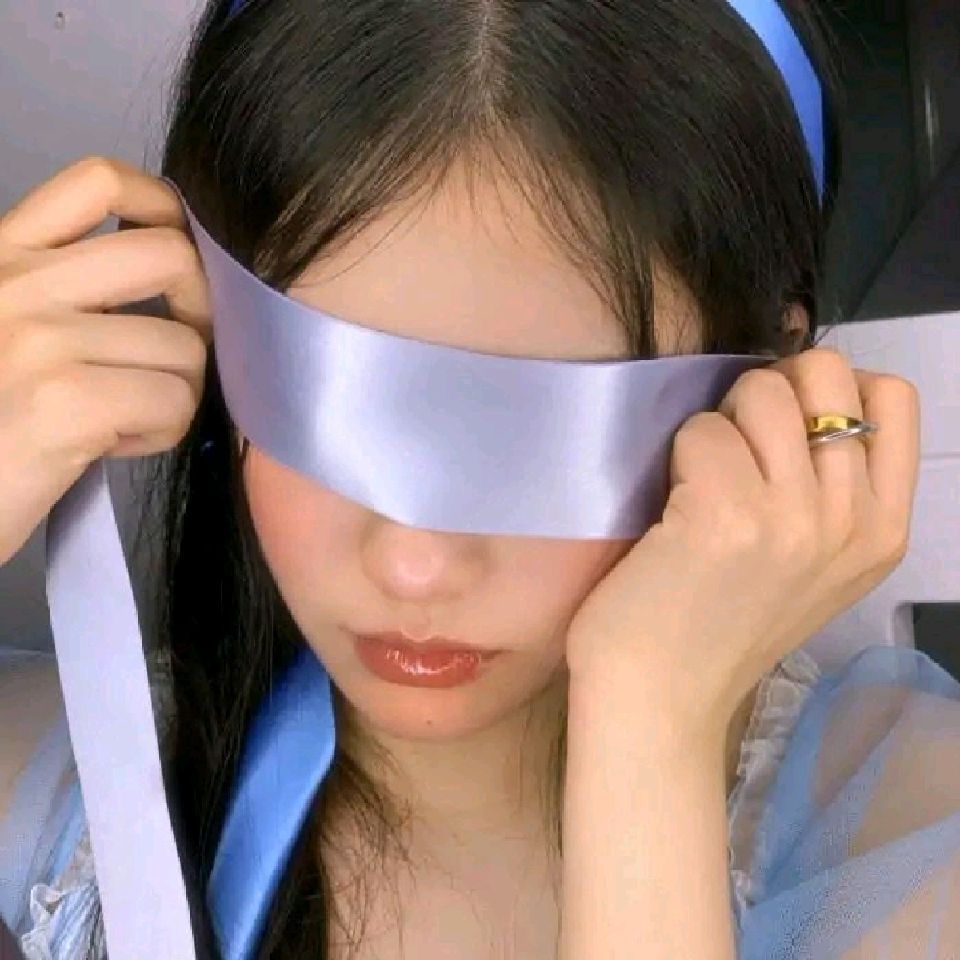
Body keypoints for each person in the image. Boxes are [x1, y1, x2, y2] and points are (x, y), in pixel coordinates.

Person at [0, 1, 958, 958]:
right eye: (327, 406)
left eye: (545, 443)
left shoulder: (910, 848)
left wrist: (650, 726)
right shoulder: (81, 798)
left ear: (769, 384)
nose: (416, 564)